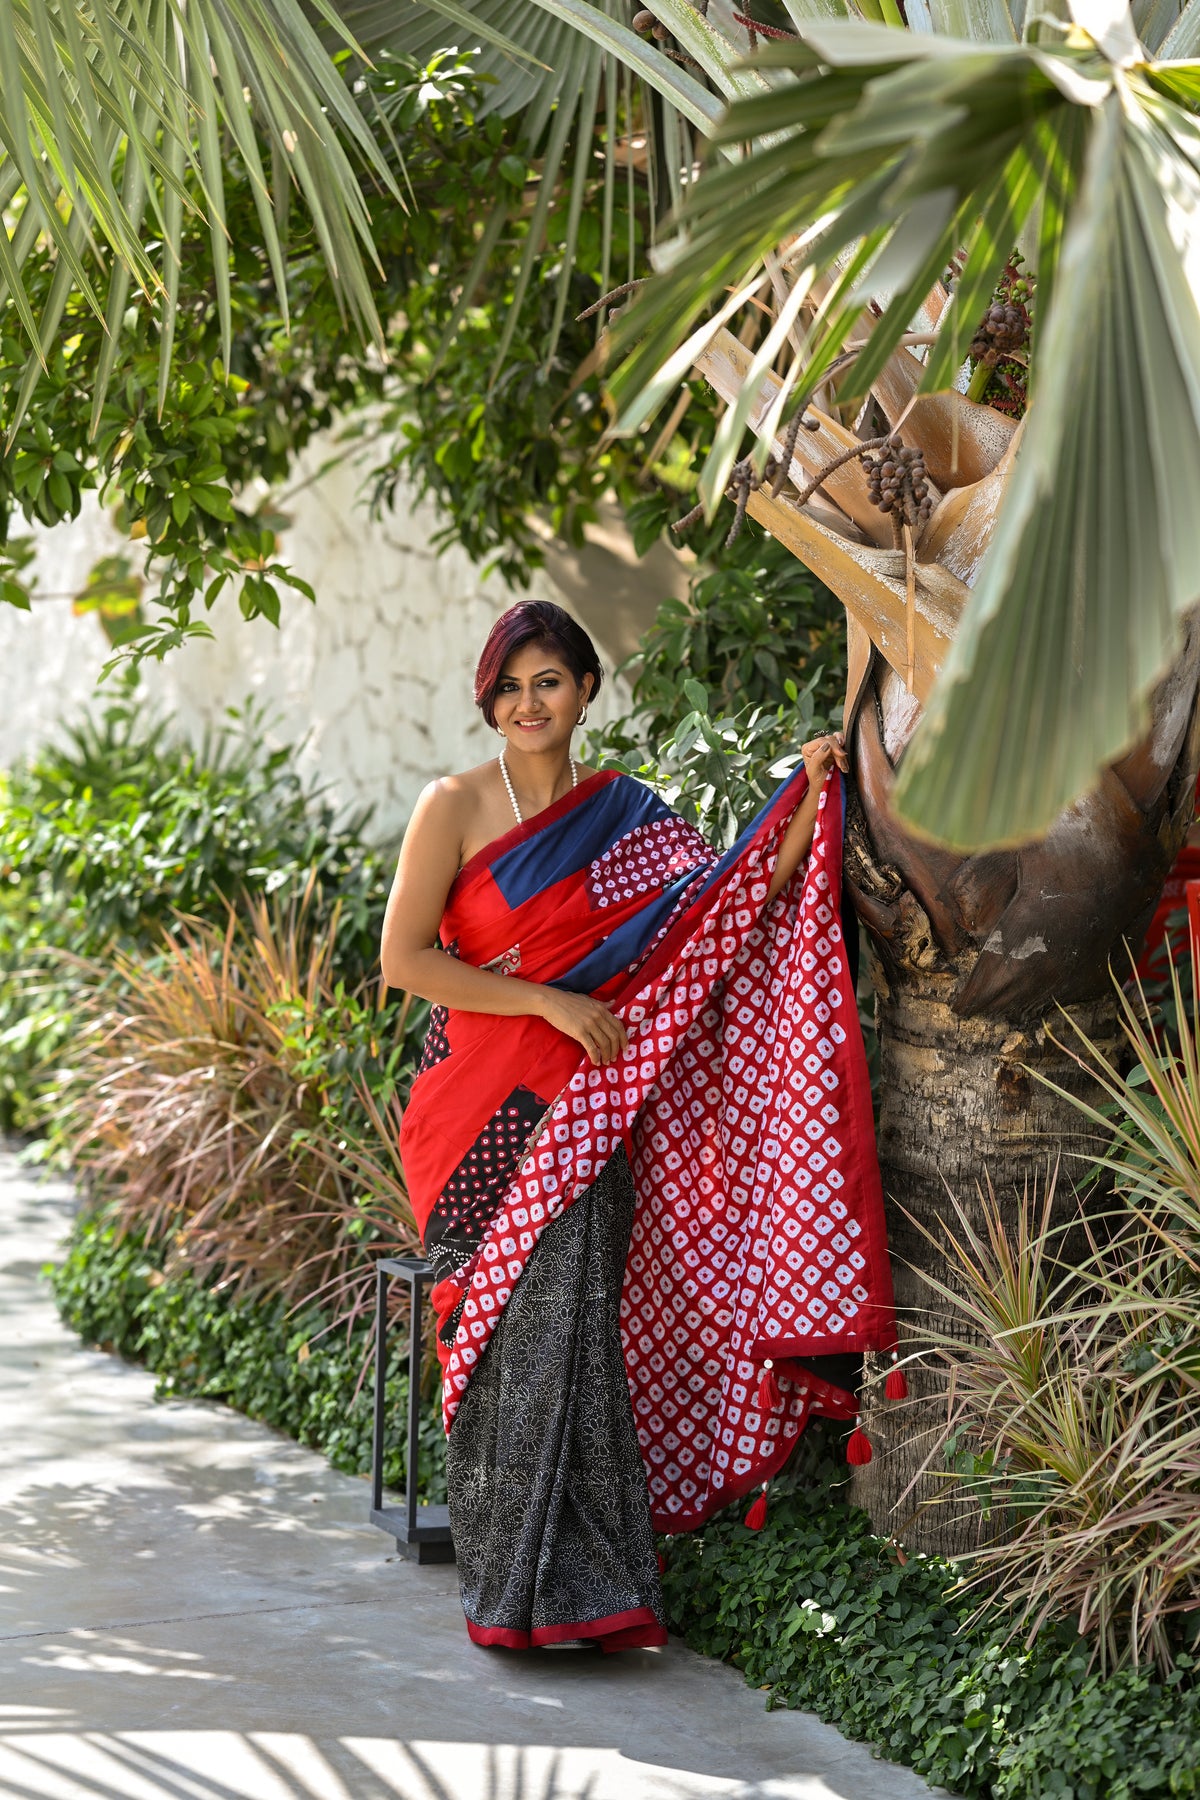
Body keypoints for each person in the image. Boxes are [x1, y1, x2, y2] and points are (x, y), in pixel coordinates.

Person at [381, 599, 894, 1653]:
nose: (530, 703)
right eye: (512, 685)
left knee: (578, 1334)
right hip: (478, 1110)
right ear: (489, 698)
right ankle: (509, 1590)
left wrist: (807, 794)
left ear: (584, 693)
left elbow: (718, 908)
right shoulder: (455, 805)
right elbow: (406, 962)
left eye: (550, 682)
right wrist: (548, 1002)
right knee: (499, 1344)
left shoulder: (626, 813)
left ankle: (593, 1588)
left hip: (592, 1107)